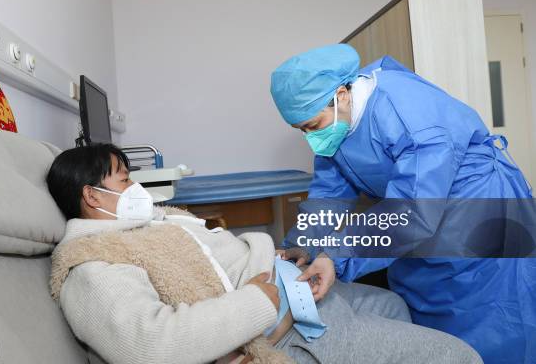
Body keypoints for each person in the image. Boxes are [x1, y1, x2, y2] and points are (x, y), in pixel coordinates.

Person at [45, 143, 480, 364]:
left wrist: (282, 257)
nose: (137, 189)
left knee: (392, 303)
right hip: (281, 322)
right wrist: (261, 299)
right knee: (457, 356)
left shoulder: (153, 223)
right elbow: (152, 344)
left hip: (288, 286)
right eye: (125, 181)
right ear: (90, 194)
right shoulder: (95, 266)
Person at [270, 43, 536, 363]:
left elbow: (412, 210)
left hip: (478, 219)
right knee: (424, 317)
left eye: (312, 125)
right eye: (301, 130)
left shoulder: (409, 112)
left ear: (341, 94)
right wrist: (304, 243)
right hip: (412, 221)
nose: (310, 137)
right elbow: (329, 194)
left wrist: (337, 255)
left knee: (487, 321)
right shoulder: (336, 127)